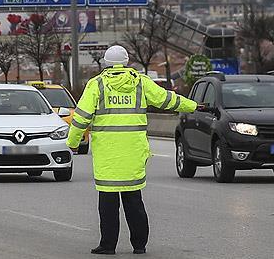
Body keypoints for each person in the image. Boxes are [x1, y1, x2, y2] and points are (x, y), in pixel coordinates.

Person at [66, 45, 196, 255]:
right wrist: (192, 105)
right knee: (134, 200)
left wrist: (73, 142)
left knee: (108, 203)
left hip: (107, 155)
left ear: (106, 62)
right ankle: (139, 245)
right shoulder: (140, 83)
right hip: (134, 153)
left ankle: (108, 245)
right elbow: (166, 99)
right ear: (126, 61)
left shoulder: (96, 84)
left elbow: (81, 117)